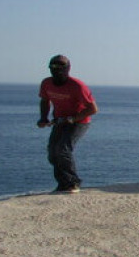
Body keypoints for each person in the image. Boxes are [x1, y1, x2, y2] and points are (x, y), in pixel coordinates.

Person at [37, 55, 98, 194]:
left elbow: (93, 109)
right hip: (60, 121)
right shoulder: (46, 83)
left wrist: (72, 119)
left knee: (63, 149)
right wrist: (43, 118)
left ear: (68, 68)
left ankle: (72, 183)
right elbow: (45, 100)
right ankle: (63, 184)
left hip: (79, 122)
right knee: (52, 152)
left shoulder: (77, 86)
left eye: (60, 67)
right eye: (53, 67)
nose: (57, 70)